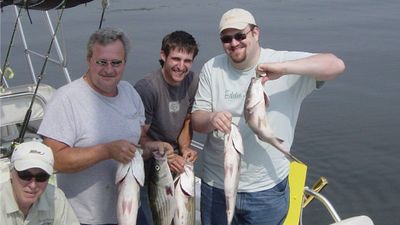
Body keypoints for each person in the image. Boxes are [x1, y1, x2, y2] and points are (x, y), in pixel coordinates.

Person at [191, 8, 345, 225]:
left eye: (240, 35)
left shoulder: (282, 62)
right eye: (226, 38)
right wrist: (211, 118)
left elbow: (336, 65)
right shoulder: (212, 68)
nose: (233, 43)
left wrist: (284, 69)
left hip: (266, 191)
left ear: (255, 33)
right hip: (217, 185)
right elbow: (197, 120)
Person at [37, 27, 171, 225]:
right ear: (89, 60)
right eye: (102, 62)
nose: (109, 69)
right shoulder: (66, 99)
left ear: (124, 63)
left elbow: (136, 144)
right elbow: (54, 160)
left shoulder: (130, 94)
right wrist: (106, 151)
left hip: (132, 211)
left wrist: (151, 148)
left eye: (116, 63)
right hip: (83, 218)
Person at [134, 30, 199, 224]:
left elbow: (187, 120)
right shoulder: (147, 88)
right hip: (152, 169)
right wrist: (168, 157)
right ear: (163, 56)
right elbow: (139, 138)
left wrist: (185, 147)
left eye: (187, 61)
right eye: (176, 59)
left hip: (178, 165)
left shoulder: (192, 81)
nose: (181, 66)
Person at [0, 141, 80, 225]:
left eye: (41, 177)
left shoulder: (56, 199)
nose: (33, 185)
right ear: (10, 173)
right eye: (25, 175)